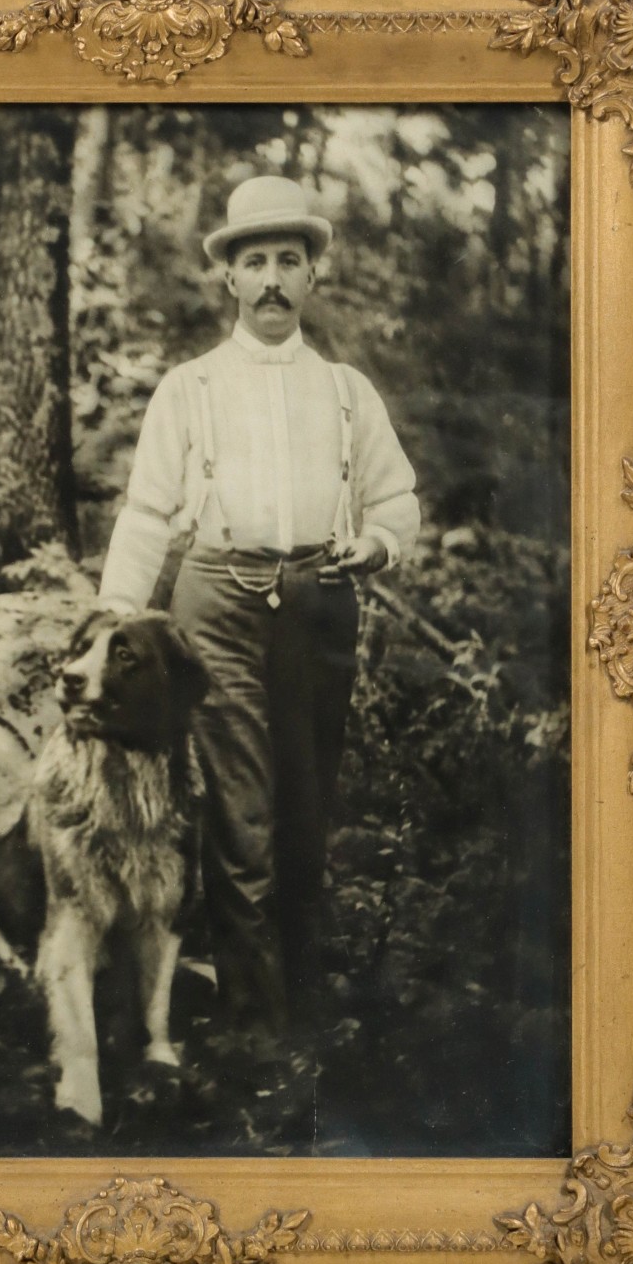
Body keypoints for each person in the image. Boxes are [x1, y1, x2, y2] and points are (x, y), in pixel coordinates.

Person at [99, 175, 419, 1053]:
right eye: (255, 262)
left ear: (314, 275)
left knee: (309, 810)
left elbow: (399, 501)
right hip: (217, 603)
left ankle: (307, 1011)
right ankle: (251, 1029)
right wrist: (116, 617)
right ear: (229, 280)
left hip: (318, 604)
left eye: (289, 260)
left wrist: (378, 545)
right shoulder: (190, 388)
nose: (272, 279)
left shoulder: (349, 393)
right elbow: (148, 511)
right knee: (241, 814)